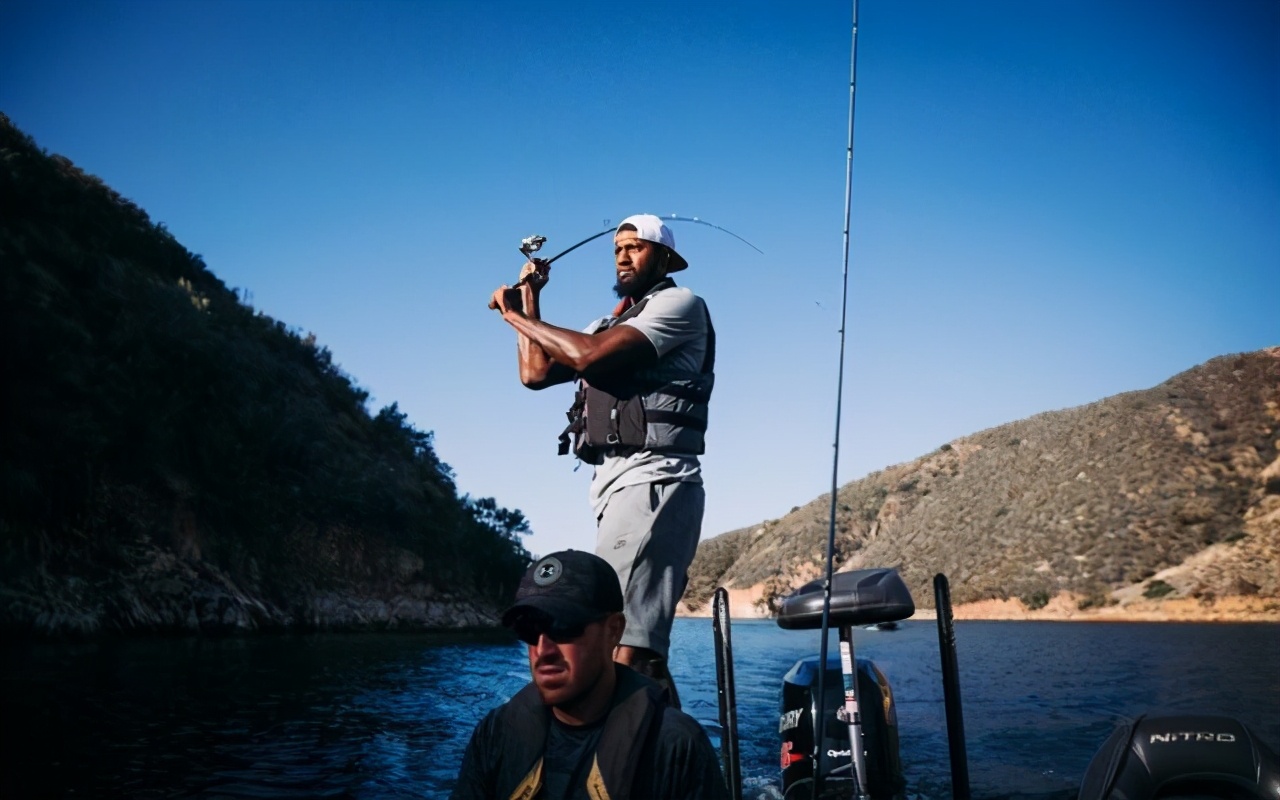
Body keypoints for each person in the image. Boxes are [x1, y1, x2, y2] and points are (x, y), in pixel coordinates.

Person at [488, 214, 714, 706]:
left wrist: (511, 315)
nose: (623, 256)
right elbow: (536, 372)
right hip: (614, 488)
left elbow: (588, 356)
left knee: (622, 648)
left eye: (636, 247)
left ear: (667, 259)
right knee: (639, 650)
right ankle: (680, 764)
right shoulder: (606, 323)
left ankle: (636, 769)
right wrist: (531, 300)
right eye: (617, 250)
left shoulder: (679, 304)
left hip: (656, 482)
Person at [450, 550, 730, 800]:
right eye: (530, 629)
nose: (542, 649)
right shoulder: (496, 733)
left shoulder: (674, 746)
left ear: (613, 631)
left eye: (563, 626)